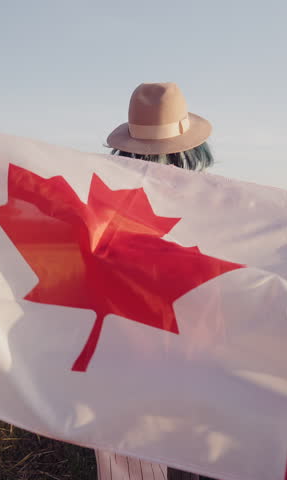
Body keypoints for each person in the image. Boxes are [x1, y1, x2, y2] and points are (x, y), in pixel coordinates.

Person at [95, 82, 214, 480]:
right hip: (188, 357)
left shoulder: (102, 204)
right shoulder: (212, 207)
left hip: (119, 358)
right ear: (190, 149)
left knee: (131, 464)